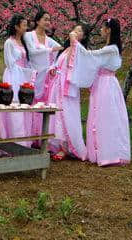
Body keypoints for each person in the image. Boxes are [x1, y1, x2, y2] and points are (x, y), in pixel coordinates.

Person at [69, 18, 131, 166]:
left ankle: (108, 153)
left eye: (103, 28)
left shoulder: (110, 49)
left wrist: (75, 42)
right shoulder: (111, 48)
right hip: (105, 84)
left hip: (106, 85)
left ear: (108, 30)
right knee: (105, 116)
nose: (101, 30)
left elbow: (89, 56)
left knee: (105, 117)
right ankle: (103, 151)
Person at [44, 23, 90, 161]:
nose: (76, 31)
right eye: (75, 29)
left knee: (66, 115)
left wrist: (73, 39)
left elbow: (73, 65)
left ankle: (66, 147)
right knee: (56, 114)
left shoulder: (80, 50)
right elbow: (58, 64)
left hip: (68, 87)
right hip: (57, 84)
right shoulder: (66, 49)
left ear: (84, 36)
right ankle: (55, 144)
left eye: (80, 30)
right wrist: (53, 69)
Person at [23, 10, 62, 143]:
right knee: (29, 104)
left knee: (41, 106)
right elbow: (33, 52)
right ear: (38, 21)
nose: (47, 22)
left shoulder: (49, 40)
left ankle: (39, 137)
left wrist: (53, 67)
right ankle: (28, 137)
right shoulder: (28, 36)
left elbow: (59, 51)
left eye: (49, 20)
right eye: (45, 19)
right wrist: (50, 50)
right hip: (31, 75)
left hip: (44, 78)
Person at [0, 14, 36, 145]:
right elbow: (9, 62)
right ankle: (13, 141)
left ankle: (24, 141)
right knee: (14, 105)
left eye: (26, 24)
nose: (26, 27)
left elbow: (27, 61)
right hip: (13, 75)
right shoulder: (9, 42)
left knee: (24, 103)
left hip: (22, 76)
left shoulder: (24, 41)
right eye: (24, 25)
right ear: (16, 27)